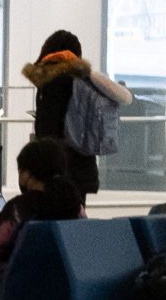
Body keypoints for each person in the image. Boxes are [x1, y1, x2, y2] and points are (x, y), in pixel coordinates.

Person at [0, 138, 83, 300]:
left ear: (26, 174)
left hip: (3, 296)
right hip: (56, 299)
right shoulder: (76, 208)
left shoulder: (19, 208)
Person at [22, 29, 132, 201]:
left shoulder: (54, 83)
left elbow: (48, 131)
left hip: (60, 170)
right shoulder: (81, 81)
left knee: (59, 221)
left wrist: (40, 172)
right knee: (75, 220)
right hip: (83, 164)